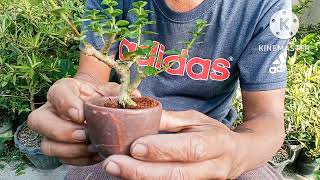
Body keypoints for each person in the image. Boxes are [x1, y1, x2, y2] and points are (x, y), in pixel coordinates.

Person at [28, 0, 291, 179]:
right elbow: (91, 78)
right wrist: (79, 96)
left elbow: (267, 119)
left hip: (212, 144)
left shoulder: (264, 6)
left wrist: (237, 152)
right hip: (117, 140)